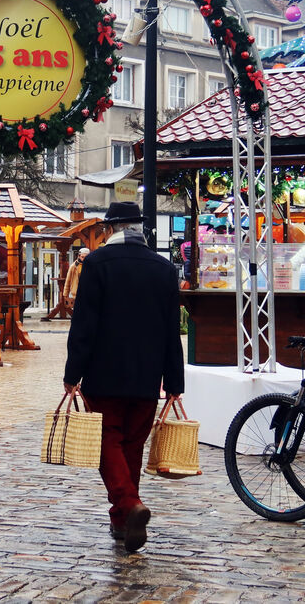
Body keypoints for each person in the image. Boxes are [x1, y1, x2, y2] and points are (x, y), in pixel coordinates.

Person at [62, 201, 184, 552]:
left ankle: (129, 505)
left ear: (109, 229)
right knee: (130, 445)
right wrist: (175, 382)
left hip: (104, 373)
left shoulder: (97, 264)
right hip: (147, 376)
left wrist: (73, 373)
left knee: (107, 443)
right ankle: (122, 522)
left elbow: (84, 324)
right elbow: (170, 330)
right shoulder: (163, 268)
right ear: (141, 228)